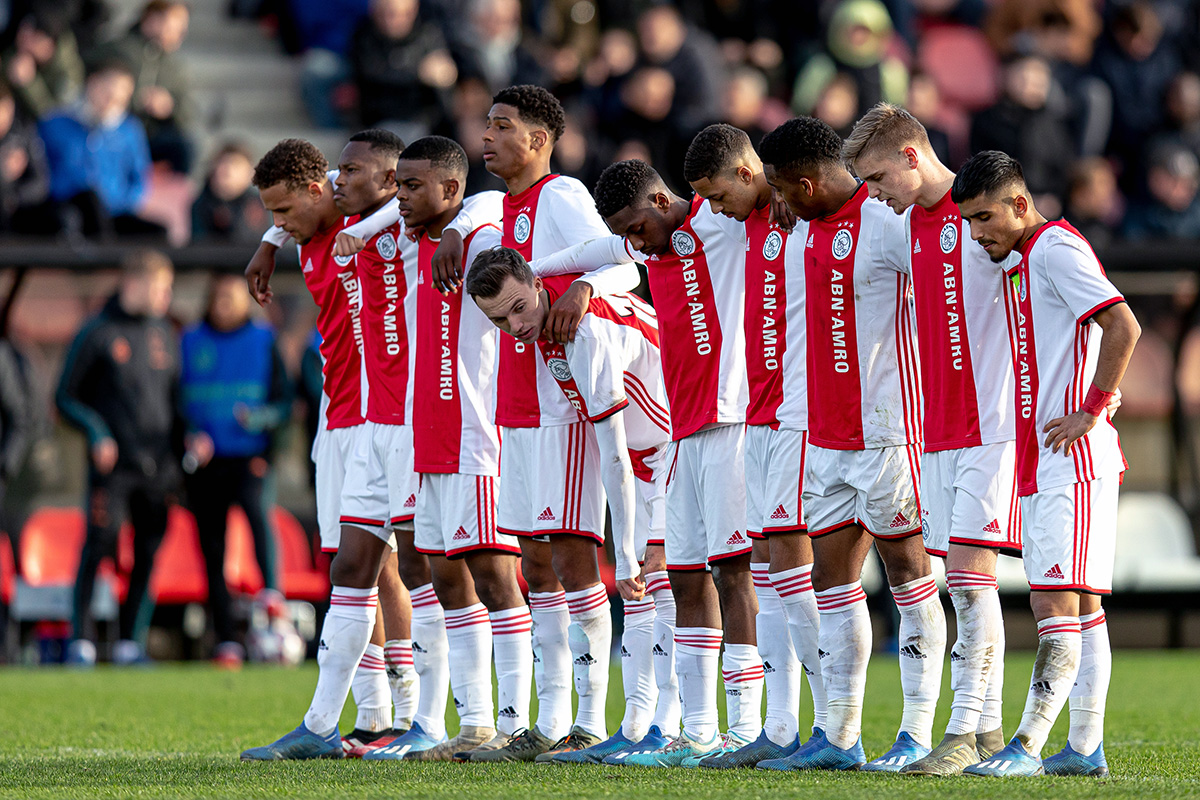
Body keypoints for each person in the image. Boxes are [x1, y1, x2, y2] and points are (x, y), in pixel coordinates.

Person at [430, 84, 639, 763]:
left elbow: (628, 262)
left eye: (502, 125)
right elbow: (477, 207)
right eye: (487, 125)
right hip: (517, 408)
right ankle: (546, 724)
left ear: (539, 140)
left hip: (566, 405)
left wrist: (583, 287)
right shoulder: (505, 206)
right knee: (538, 566)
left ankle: (590, 721)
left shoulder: (562, 196)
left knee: (575, 559)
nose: (486, 136)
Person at [756, 117, 946, 771]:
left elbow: (948, 293)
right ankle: (839, 738)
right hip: (825, 437)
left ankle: (916, 735)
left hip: (890, 433)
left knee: (909, 576)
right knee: (832, 582)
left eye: (783, 188)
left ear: (806, 183)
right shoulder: (801, 225)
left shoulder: (888, 219)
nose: (777, 199)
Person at [842, 102, 1020, 773]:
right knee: (964, 584)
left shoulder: (982, 215)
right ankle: (990, 730)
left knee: (971, 582)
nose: (873, 194)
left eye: (879, 177)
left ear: (912, 156)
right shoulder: (905, 225)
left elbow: (1053, 294)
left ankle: (963, 731)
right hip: (937, 429)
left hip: (991, 423)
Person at [953, 150, 1139, 778]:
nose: (977, 234)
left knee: (1054, 604)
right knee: (1080, 608)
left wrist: (1092, 407)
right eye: (969, 222)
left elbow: (1123, 325)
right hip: (1044, 458)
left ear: (1020, 204)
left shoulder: (1056, 249)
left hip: (1073, 458)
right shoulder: (1023, 259)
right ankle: (1084, 749)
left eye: (985, 218)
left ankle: (1027, 746)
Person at [574, 157, 761, 766]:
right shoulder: (647, 247)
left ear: (661, 201)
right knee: (681, 578)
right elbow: (591, 254)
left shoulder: (720, 219)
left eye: (637, 228)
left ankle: (746, 729)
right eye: (623, 234)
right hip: (685, 432)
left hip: (732, 419)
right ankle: (698, 732)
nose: (635, 242)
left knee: (733, 574)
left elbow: (756, 191)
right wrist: (581, 284)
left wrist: (772, 193)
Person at [467, 245, 680, 764]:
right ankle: (635, 729)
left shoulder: (584, 334)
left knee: (662, 581)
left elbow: (614, 456)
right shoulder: (545, 311)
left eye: (519, 309)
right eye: (499, 321)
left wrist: (624, 554)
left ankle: (680, 727)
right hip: (649, 451)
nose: (515, 326)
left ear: (537, 285)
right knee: (648, 591)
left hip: (676, 445)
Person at [363, 136, 519, 762]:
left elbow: (496, 205)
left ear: (452, 190)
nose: (399, 197)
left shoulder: (481, 239)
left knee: (495, 577)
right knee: (443, 578)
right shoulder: (416, 242)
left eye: (412, 186)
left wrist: (465, 222)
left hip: (475, 437)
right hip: (426, 438)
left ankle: (513, 724)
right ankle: (473, 724)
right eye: (397, 185)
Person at [683, 123, 826, 769]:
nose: (714, 210)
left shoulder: (806, 213)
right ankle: (779, 727)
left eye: (719, 196)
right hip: (759, 417)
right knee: (769, 568)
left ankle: (832, 727)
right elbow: (625, 238)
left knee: (797, 573)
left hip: (806, 415)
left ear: (748, 173)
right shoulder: (729, 222)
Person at [57, 249, 180, 665]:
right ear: (135, 283)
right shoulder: (96, 332)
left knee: (148, 551)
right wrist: (97, 432)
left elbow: (175, 402)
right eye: (161, 288)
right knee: (100, 543)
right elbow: (64, 397)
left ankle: (130, 642)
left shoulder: (164, 333)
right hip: (112, 469)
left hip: (157, 468)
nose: (166, 297)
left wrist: (191, 438)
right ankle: (81, 641)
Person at [180, 273, 293, 663]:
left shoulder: (264, 340)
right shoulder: (190, 340)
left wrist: (262, 423)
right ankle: (225, 637)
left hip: (250, 458)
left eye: (232, 297)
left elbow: (285, 403)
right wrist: (189, 434)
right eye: (219, 297)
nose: (224, 305)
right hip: (206, 463)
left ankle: (276, 614)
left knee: (261, 529)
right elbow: (173, 400)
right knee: (212, 550)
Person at [37, 59, 162, 239]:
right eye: (108, 94)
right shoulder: (55, 124)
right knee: (86, 204)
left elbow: (140, 179)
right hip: (71, 209)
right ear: (92, 83)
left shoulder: (130, 130)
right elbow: (42, 173)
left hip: (114, 212)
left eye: (121, 99)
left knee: (158, 233)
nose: (112, 103)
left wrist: (120, 201)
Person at [90, 0, 195, 173]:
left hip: (151, 135)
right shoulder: (118, 50)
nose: (179, 34)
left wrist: (169, 107)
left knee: (185, 147)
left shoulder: (173, 68)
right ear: (151, 20)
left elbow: (188, 113)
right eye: (174, 27)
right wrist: (138, 100)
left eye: (182, 29)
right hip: (113, 131)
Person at [348, 0, 457, 135]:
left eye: (403, 14)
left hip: (425, 119)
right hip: (381, 120)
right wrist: (419, 73)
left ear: (413, 11)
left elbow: (445, 73)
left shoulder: (428, 33)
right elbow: (372, 74)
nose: (393, 21)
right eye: (388, 14)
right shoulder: (364, 34)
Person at [190, 143, 267, 243]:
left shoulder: (261, 204)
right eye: (222, 164)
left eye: (236, 165)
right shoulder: (200, 204)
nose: (227, 171)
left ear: (250, 172)